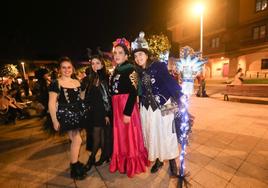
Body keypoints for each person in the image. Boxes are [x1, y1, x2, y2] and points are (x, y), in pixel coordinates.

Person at [132, 32, 182, 176]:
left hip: (165, 104)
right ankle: (159, 160)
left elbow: (169, 81)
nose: (138, 58)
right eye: (135, 56)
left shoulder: (158, 65)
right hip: (147, 109)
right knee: (154, 134)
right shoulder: (138, 71)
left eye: (140, 54)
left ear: (147, 54)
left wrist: (179, 97)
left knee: (168, 133)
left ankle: (172, 160)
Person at [109, 38, 149, 177]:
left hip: (127, 107)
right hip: (117, 107)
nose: (117, 55)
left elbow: (133, 92)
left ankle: (132, 162)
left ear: (126, 56)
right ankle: (123, 162)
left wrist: (127, 113)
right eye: (115, 53)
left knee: (129, 136)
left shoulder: (130, 69)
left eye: (121, 53)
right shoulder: (116, 70)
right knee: (121, 137)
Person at [48, 57, 87, 180]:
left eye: (69, 67)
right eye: (63, 67)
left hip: (77, 114)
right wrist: (54, 120)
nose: (66, 70)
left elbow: (81, 97)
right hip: (66, 115)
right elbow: (51, 103)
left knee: (76, 140)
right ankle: (74, 167)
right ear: (60, 69)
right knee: (77, 140)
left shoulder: (77, 82)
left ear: (73, 68)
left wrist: (85, 89)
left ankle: (74, 162)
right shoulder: (56, 83)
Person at [82, 55, 113, 172]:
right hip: (93, 112)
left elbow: (107, 98)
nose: (95, 66)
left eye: (98, 63)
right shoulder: (91, 78)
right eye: (93, 63)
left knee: (97, 137)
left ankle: (91, 159)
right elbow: (89, 97)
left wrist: (107, 114)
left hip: (102, 112)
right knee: (100, 136)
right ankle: (104, 157)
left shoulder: (105, 77)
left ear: (102, 64)